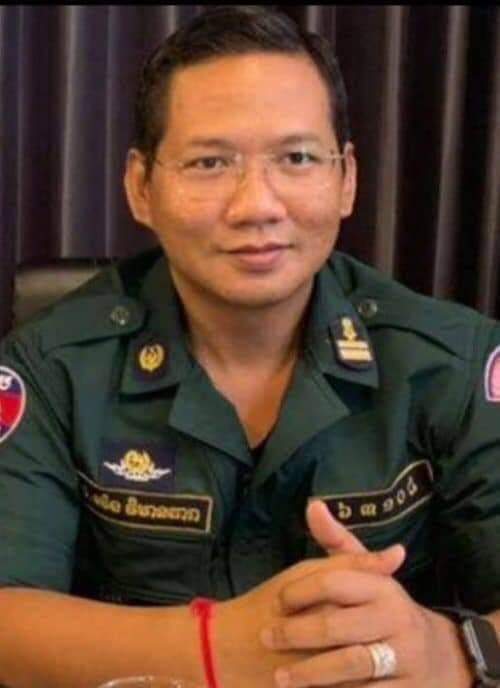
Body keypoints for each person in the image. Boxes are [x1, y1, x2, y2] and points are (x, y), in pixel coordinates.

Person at [0, 6, 499, 688]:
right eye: (210, 163)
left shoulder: (454, 361)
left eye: (297, 158)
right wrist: (215, 647)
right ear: (141, 187)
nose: (257, 205)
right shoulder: (47, 365)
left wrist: (453, 651)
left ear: (347, 179)